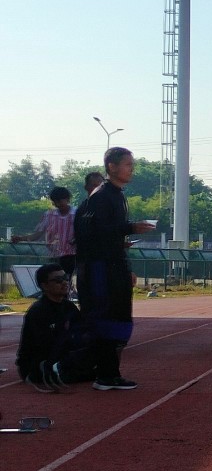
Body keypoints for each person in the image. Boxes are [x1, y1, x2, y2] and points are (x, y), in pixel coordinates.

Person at [74, 147, 154, 391]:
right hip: (100, 267)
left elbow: (107, 233)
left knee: (119, 317)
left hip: (113, 264)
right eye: (128, 164)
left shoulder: (117, 195)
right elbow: (93, 232)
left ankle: (108, 372)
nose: (132, 169)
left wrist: (124, 248)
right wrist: (130, 228)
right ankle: (104, 374)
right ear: (112, 166)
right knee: (105, 317)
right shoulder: (101, 196)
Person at [15, 263, 93, 389]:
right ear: (44, 286)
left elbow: (82, 332)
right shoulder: (38, 311)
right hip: (39, 362)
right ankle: (50, 373)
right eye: (58, 280)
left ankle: (62, 371)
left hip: (61, 356)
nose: (64, 283)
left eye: (65, 278)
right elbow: (43, 346)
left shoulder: (69, 307)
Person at [10, 187, 77, 275]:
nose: (58, 204)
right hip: (53, 256)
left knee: (65, 279)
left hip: (71, 255)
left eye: (60, 201)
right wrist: (21, 238)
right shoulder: (49, 215)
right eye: (55, 202)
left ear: (67, 199)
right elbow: (38, 234)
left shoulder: (77, 214)